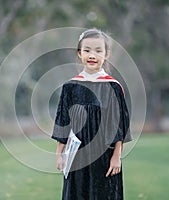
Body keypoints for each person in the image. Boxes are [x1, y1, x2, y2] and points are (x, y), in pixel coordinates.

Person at [51, 28, 132, 200]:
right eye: (87, 50)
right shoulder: (71, 87)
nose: (92, 55)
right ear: (79, 54)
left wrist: (117, 157)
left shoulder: (112, 87)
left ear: (106, 54)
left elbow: (119, 127)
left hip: (105, 156)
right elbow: (63, 122)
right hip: (77, 155)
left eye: (98, 50)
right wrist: (59, 154)